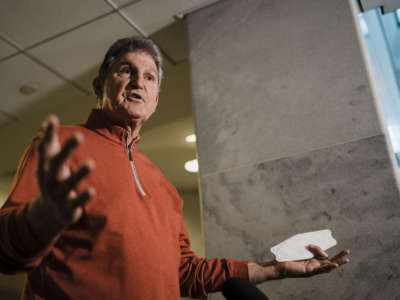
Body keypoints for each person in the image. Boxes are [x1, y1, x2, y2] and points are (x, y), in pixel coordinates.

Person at [0, 36, 349, 300]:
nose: (139, 82)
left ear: (155, 98)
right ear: (99, 86)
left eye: (150, 77)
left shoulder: (162, 185)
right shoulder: (61, 144)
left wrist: (276, 270)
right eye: (126, 71)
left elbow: (185, 272)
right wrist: (37, 220)